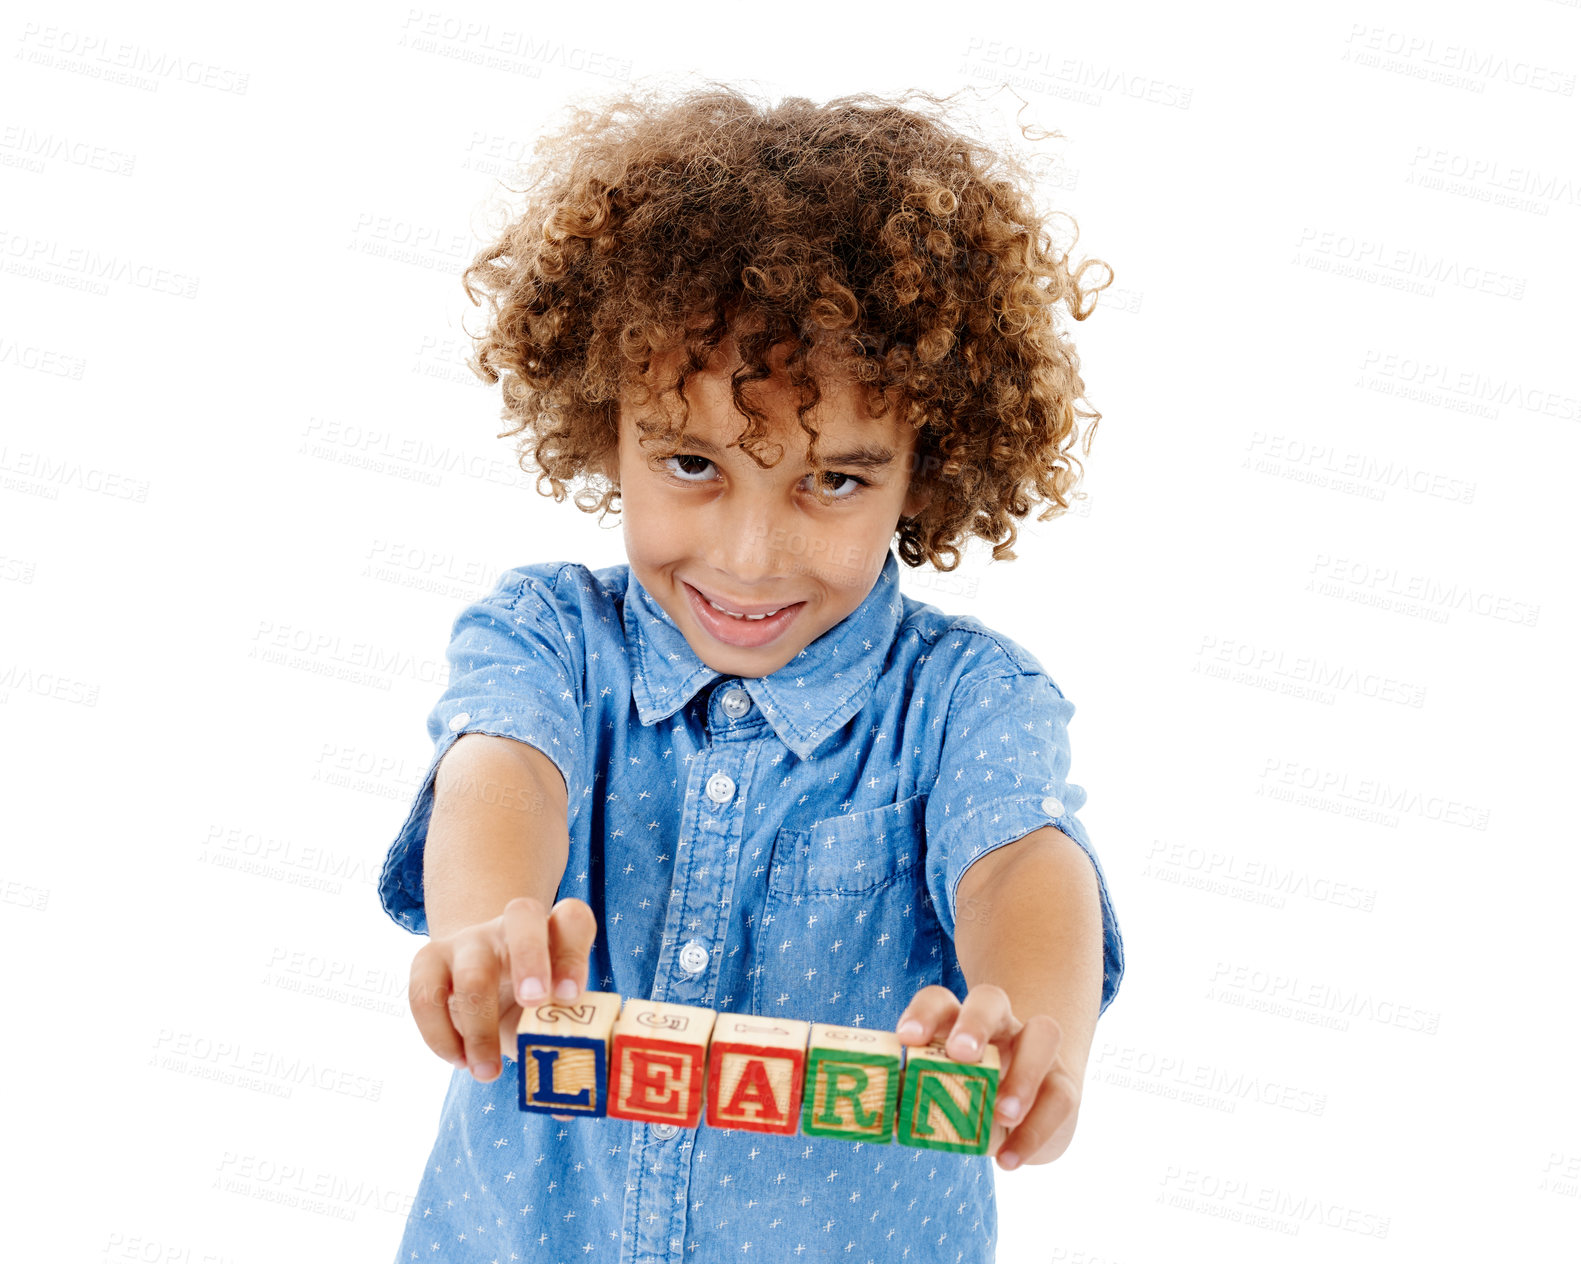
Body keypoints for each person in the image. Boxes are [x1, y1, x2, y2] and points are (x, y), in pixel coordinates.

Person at [377, 80, 1125, 1263]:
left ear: (924, 468)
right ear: (604, 425)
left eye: (833, 480)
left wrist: (1030, 1022)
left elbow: (1020, 864)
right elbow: (501, 773)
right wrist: (490, 926)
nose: (749, 555)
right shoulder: (547, 638)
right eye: (690, 462)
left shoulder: (968, 702)